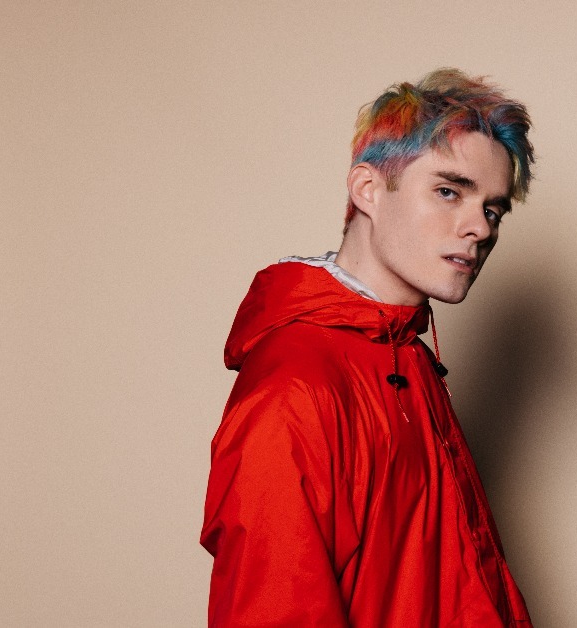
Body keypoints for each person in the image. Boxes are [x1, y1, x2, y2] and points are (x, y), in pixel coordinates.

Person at [200, 68, 535, 627]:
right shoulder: (294, 390)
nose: (479, 227)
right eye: (449, 191)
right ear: (368, 190)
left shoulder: (407, 355)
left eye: (493, 209)